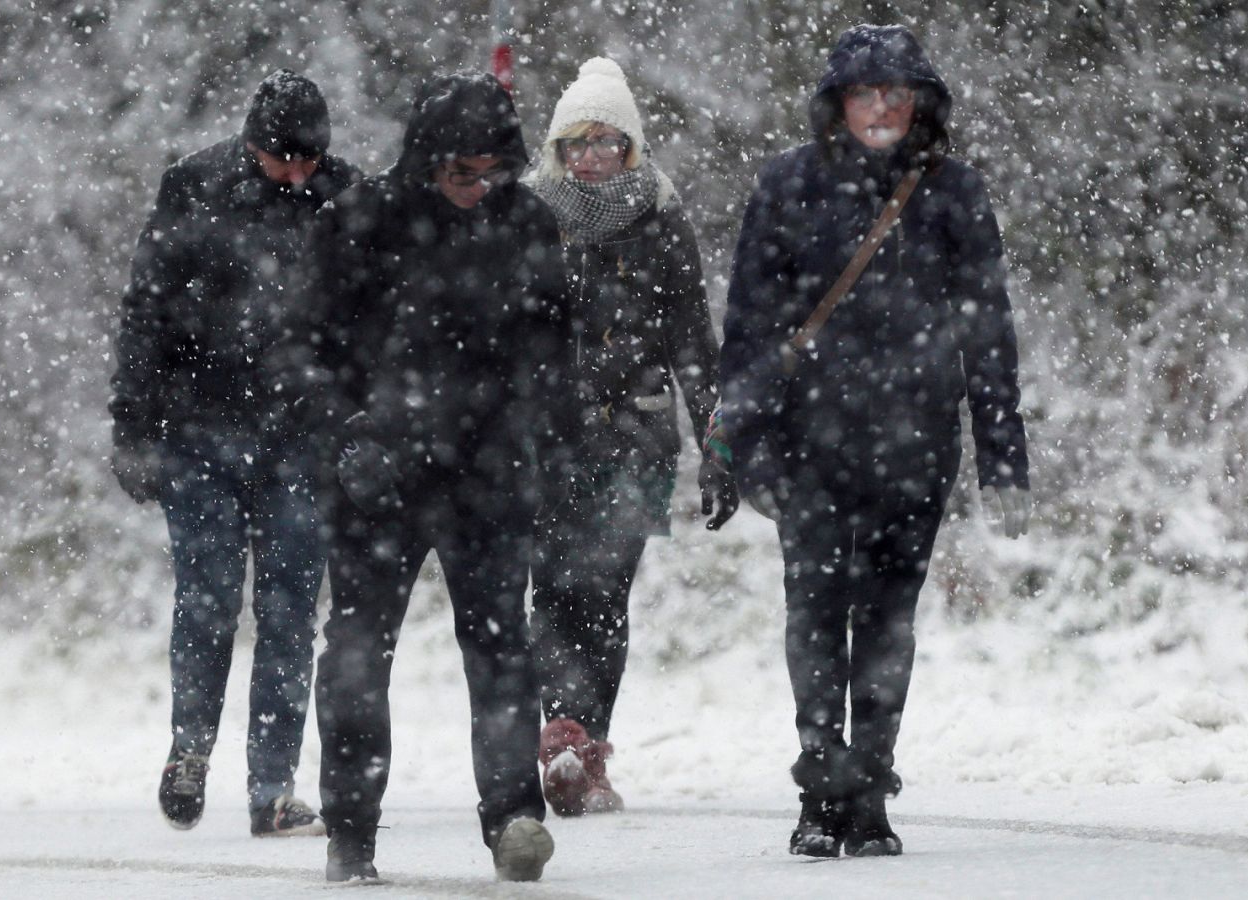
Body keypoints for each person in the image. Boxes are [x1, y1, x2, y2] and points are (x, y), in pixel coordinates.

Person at [717, 25, 1033, 858]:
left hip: (915, 440)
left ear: (923, 104)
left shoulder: (952, 191)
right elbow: (750, 322)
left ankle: (871, 786)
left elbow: (987, 327)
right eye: (868, 93)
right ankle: (822, 780)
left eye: (899, 93)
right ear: (839, 105)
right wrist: (737, 442)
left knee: (889, 617)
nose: (885, 108)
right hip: (806, 440)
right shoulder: (788, 184)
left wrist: (1003, 450)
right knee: (815, 608)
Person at [289, 72, 570, 883]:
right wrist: (346, 436)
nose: (480, 191)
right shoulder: (360, 222)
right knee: (356, 652)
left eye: (494, 173)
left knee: (501, 650)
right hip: (379, 478)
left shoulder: (528, 225)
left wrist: (552, 451)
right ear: (426, 162)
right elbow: (303, 350)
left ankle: (515, 819)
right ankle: (351, 831)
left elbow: (551, 354)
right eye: (462, 174)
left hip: (489, 472)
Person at [108, 68, 359, 837]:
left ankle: (273, 788)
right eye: (282, 159)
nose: (295, 173)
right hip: (201, 432)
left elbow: (369, 321)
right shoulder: (192, 188)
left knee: (289, 614)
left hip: (303, 438)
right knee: (208, 600)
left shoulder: (347, 199)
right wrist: (133, 428)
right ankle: (189, 750)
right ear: (252, 145)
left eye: (307, 161)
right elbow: (146, 311)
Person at [522, 57, 738, 818]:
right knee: (552, 588)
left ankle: (588, 748)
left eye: (605, 141)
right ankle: (560, 735)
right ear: (557, 147)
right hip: (548, 437)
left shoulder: (662, 216)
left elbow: (690, 338)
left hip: (637, 436)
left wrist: (719, 441)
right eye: (576, 141)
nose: (589, 155)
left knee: (606, 594)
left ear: (629, 147)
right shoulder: (528, 215)